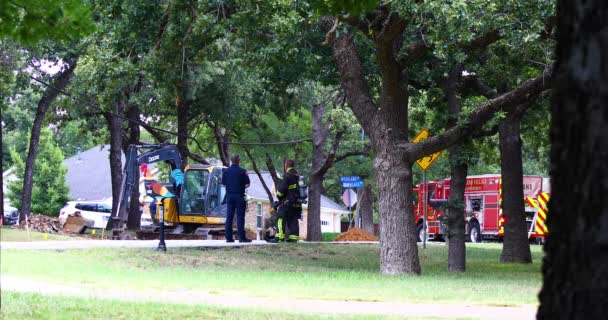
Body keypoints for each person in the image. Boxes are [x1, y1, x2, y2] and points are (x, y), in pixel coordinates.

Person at [222, 154, 251, 243]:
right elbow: (247, 184)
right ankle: (242, 238)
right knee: (240, 217)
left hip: (229, 196)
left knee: (229, 217)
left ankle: (228, 238)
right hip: (239, 196)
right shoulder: (243, 171)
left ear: (231, 161)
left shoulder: (226, 171)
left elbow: (223, 184)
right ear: (239, 161)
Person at [274, 159, 302, 243]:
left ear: (286, 165)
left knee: (280, 218)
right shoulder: (298, 176)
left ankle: (279, 238)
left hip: (287, 203)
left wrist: (278, 197)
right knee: (293, 220)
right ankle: (293, 239)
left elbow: (281, 190)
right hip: (297, 203)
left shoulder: (287, 175)